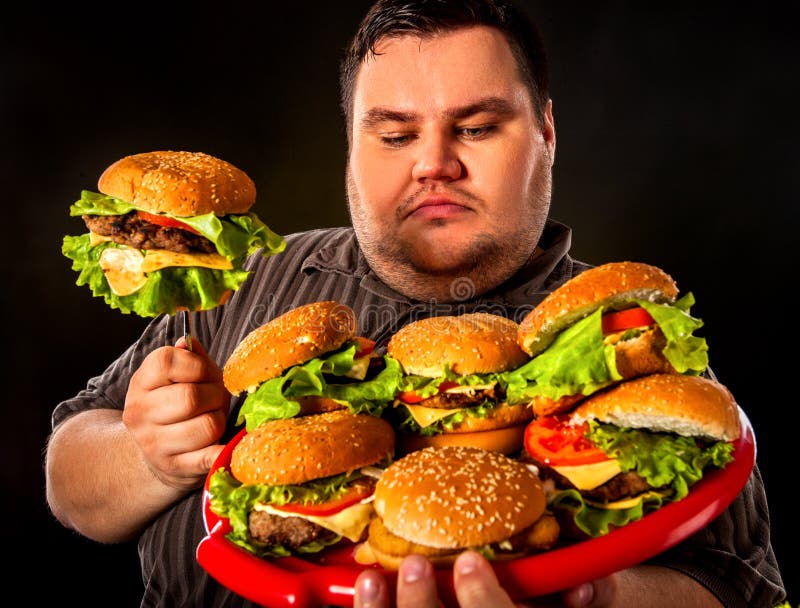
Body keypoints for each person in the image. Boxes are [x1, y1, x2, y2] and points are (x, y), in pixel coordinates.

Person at [45, 1, 786, 607]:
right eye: (395, 133)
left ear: (547, 134)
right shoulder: (246, 280)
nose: (434, 162)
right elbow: (69, 480)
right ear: (351, 147)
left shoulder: (625, 330)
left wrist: (586, 598)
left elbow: (743, 586)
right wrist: (150, 456)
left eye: (476, 127)